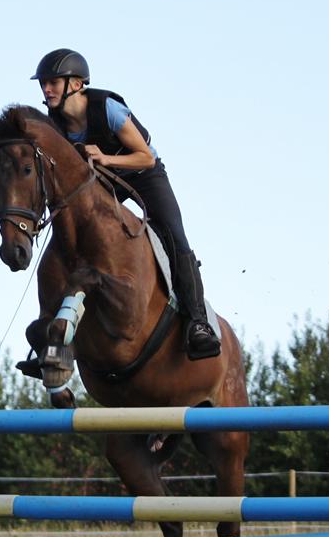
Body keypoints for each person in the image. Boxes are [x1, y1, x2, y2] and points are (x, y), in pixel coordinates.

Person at [30, 48, 221, 361]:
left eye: (53, 82)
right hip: (103, 182)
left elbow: (145, 156)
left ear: (76, 84)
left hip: (144, 174)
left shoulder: (108, 108)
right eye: (44, 84)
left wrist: (105, 157)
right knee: (68, 238)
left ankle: (198, 322)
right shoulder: (55, 124)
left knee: (173, 232)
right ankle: (51, 336)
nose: (46, 89)